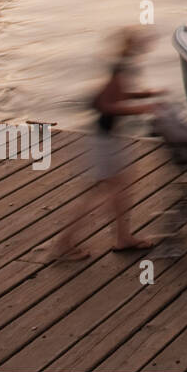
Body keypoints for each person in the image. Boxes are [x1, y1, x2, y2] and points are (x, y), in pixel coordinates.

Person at [54, 30, 161, 259]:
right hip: (102, 143)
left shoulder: (122, 65)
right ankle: (64, 244)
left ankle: (122, 238)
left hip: (107, 140)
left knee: (117, 189)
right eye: (144, 40)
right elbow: (106, 104)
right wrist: (141, 109)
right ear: (133, 45)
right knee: (101, 193)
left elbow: (116, 96)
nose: (149, 43)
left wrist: (144, 96)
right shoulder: (121, 68)